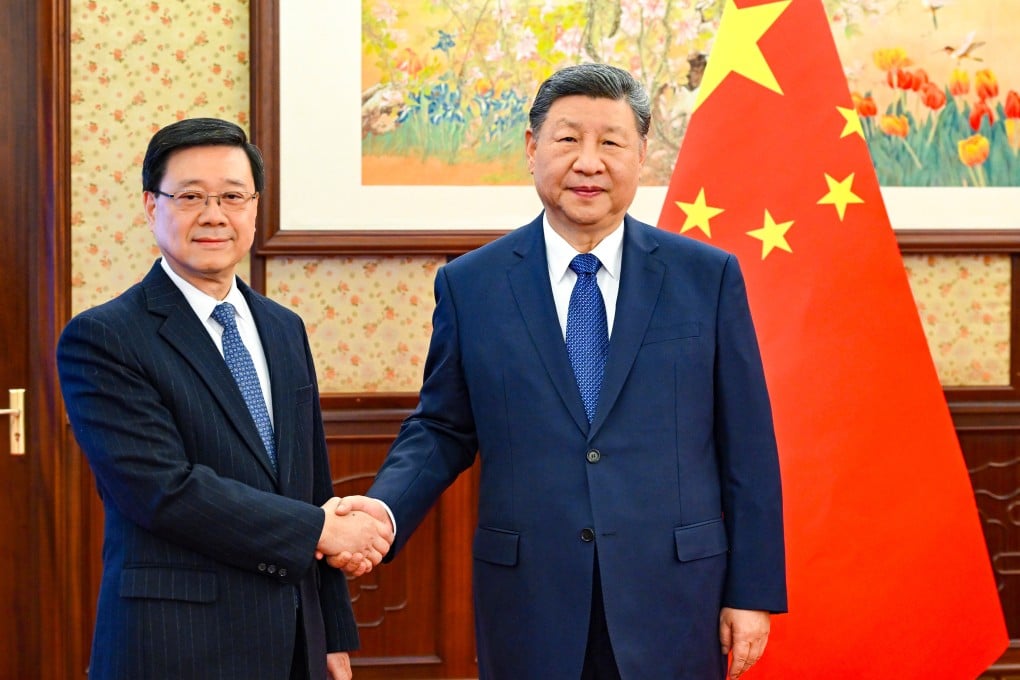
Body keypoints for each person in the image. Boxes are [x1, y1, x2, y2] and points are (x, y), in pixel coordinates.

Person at [337, 64, 787, 679]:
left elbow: (748, 447)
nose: (588, 162)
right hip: (530, 598)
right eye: (568, 138)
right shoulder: (471, 285)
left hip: (676, 594)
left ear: (642, 155)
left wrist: (753, 591)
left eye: (611, 142)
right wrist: (382, 511)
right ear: (531, 149)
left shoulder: (706, 277)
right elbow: (441, 427)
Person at [57, 117, 392, 680]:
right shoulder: (106, 336)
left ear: (254, 207)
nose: (214, 215)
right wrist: (320, 529)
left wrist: (332, 635)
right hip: (176, 644)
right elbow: (162, 491)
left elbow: (312, 484)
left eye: (232, 196)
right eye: (190, 196)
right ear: (150, 206)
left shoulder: (283, 328)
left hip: (292, 643)